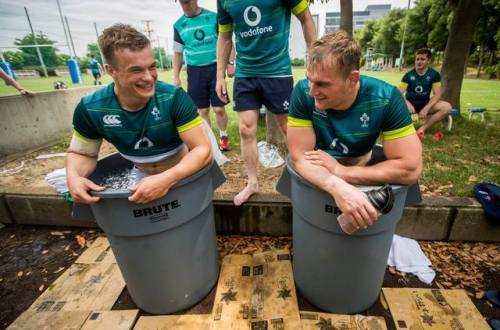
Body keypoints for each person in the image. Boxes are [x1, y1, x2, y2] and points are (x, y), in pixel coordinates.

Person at [287, 31, 422, 231]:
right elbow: (299, 156)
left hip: (361, 162)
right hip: (318, 167)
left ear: (352, 79)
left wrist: (344, 173)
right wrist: (336, 185)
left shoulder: (385, 98)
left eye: (323, 84)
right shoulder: (303, 91)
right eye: (310, 79)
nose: (312, 90)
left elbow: (411, 169)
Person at [66, 24, 212, 204]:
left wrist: (167, 178)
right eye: (136, 70)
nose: (149, 77)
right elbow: (83, 154)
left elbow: (202, 149)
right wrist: (73, 177)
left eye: (152, 67)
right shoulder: (91, 109)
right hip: (142, 171)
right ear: (110, 70)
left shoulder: (173, 98)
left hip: (184, 166)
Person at [216, 0, 316, 205]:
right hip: (246, 74)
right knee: (245, 129)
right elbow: (225, 36)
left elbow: (306, 16)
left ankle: (310, 176)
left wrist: (314, 58)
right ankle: (252, 182)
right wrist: (219, 75)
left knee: (290, 127)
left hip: (277, 71)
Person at [173, 0, 233, 151]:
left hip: (215, 68)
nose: (185, 4)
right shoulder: (179, 25)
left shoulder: (213, 17)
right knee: (202, 111)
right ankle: (210, 141)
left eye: (188, 1)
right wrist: (176, 76)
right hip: (194, 72)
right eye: (182, 2)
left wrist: (230, 63)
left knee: (219, 109)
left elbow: (227, 40)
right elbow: (178, 53)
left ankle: (223, 136)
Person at [399, 48, 451, 138]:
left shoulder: (434, 75)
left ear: (428, 61)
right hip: (410, 107)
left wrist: (426, 108)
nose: (419, 62)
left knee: (446, 107)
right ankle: (401, 127)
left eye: (422, 59)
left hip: (424, 104)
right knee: (391, 105)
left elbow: (437, 94)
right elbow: (399, 92)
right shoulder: (408, 75)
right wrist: (407, 104)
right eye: (417, 59)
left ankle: (422, 129)